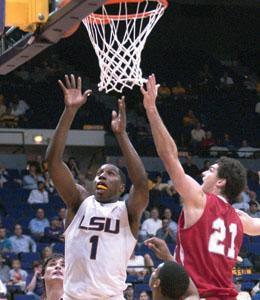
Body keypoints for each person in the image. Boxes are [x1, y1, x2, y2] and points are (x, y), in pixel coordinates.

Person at [141, 74, 260, 299]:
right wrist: (169, 257)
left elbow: (169, 156)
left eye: (212, 170)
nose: (205, 173)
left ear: (221, 182)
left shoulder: (199, 199)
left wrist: (151, 109)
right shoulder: (240, 218)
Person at [46, 74, 148, 299]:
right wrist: (70, 111)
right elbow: (53, 162)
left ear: (121, 187)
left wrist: (121, 135)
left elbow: (141, 183)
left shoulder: (128, 212)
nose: (102, 176)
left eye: (110, 173)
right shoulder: (80, 201)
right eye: (100, 173)